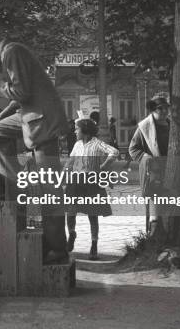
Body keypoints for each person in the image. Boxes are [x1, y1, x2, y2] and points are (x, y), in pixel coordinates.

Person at [0, 21, 69, 264]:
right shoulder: (10, 53)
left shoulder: (11, 51)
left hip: (41, 123)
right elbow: (23, 95)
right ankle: (15, 181)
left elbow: (21, 93)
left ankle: (57, 249)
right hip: (32, 116)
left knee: (50, 192)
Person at [64, 118, 119, 260]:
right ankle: (72, 234)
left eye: (77, 129)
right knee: (70, 212)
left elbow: (114, 152)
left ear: (85, 131)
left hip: (91, 183)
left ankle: (94, 245)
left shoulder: (97, 144)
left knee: (92, 215)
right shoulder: (77, 144)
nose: (75, 131)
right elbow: (70, 162)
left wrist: (104, 166)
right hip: (75, 182)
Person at [128, 96, 170, 234]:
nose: (164, 111)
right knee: (154, 201)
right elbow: (133, 149)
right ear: (153, 110)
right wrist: (146, 158)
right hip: (153, 170)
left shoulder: (172, 125)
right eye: (160, 109)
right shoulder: (144, 127)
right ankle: (153, 233)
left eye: (166, 108)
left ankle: (168, 232)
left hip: (170, 169)